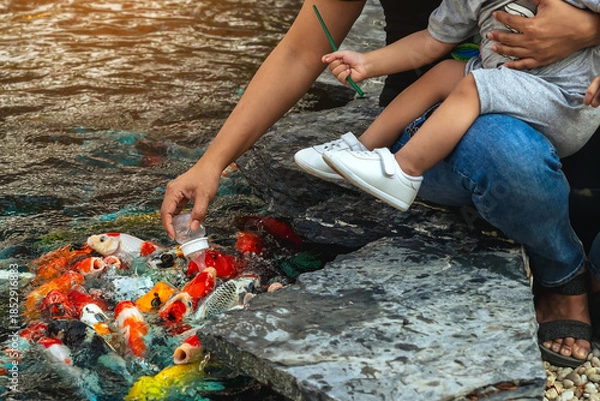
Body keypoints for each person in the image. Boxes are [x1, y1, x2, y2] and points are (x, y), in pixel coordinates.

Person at [160, 0, 600, 368]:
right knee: (504, 147)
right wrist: (212, 162)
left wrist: (587, 28)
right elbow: (300, 52)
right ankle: (562, 274)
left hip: (575, 106)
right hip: (450, 123)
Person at [295, 0, 600, 213]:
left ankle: (403, 171)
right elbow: (432, 41)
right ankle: (361, 149)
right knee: (444, 73)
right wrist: (368, 62)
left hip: (568, 101)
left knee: (475, 85)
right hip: (512, 83)